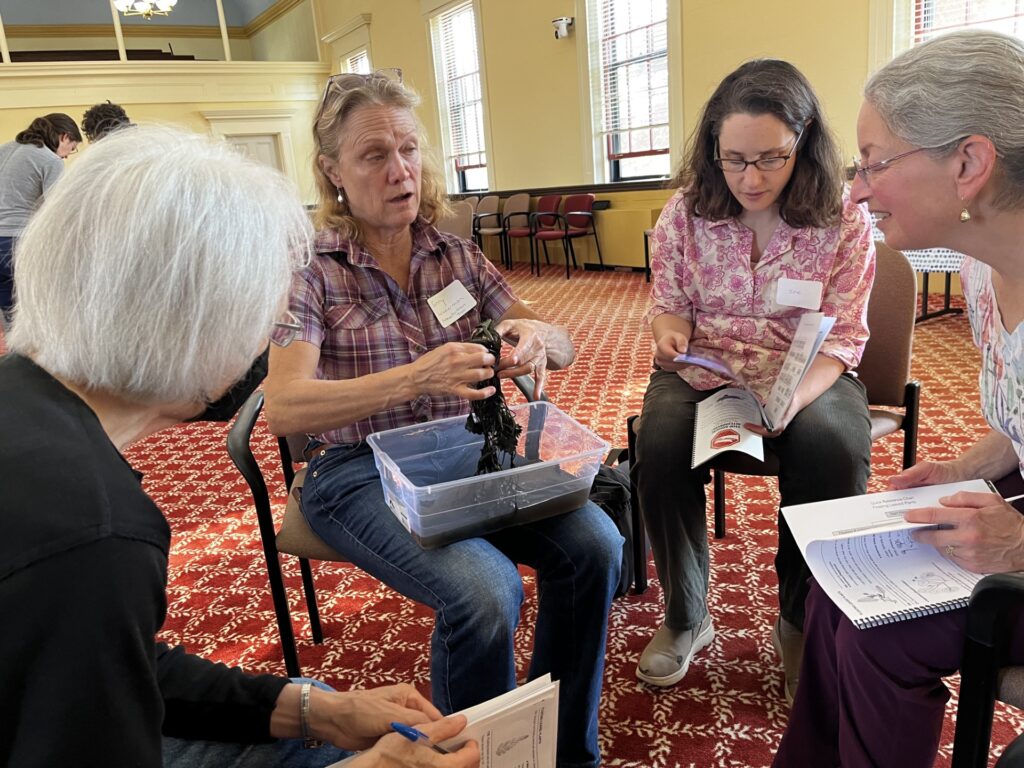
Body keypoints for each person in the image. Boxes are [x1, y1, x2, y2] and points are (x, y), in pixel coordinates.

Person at [0, 124, 478, 768]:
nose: (267, 334)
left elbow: (116, 663)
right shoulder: (96, 534)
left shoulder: (26, 406)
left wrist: (315, 708)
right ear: (200, 316)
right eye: (266, 308)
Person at [262, 70, 622, 768]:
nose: (399, 169)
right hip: (355, 470)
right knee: (487, 593)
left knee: (598, 546)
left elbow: (559, 343)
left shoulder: (451, 254)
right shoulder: (309, 269)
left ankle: (560, 751)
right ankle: (475, 759)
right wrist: (417, 376)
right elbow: (284, 407)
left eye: (408, 149)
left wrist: (539, 336)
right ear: (333, 170)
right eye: (373, 155)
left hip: (460, 454)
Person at [773, 29, 1024, 768]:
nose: (854, 189)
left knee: (880, 635)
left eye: (874, 163)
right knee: (834, 587)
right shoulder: (985, 269)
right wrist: (965, 468)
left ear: (970, 162)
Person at [632, 59, 875, 704]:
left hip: (808, 370)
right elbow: (670, 301)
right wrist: (669, 334)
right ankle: (688, 615)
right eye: (733, 159)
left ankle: (797, 621)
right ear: (713, 149)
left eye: (770, 158)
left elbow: (846, 335)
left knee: (832, 446)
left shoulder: (844, 220)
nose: (751, 178)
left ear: (804, 145)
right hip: (705, 366)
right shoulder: (685, 212)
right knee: (657, 442)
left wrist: (792, 398)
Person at [0, 113, 81, 330]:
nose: (67, 156)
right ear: (64, 137)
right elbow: (56, 208)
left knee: (10, 313)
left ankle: (13, 360)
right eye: (72, 148)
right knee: (38, 311)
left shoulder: (4, 149)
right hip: (19, 242)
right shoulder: (49, 159)